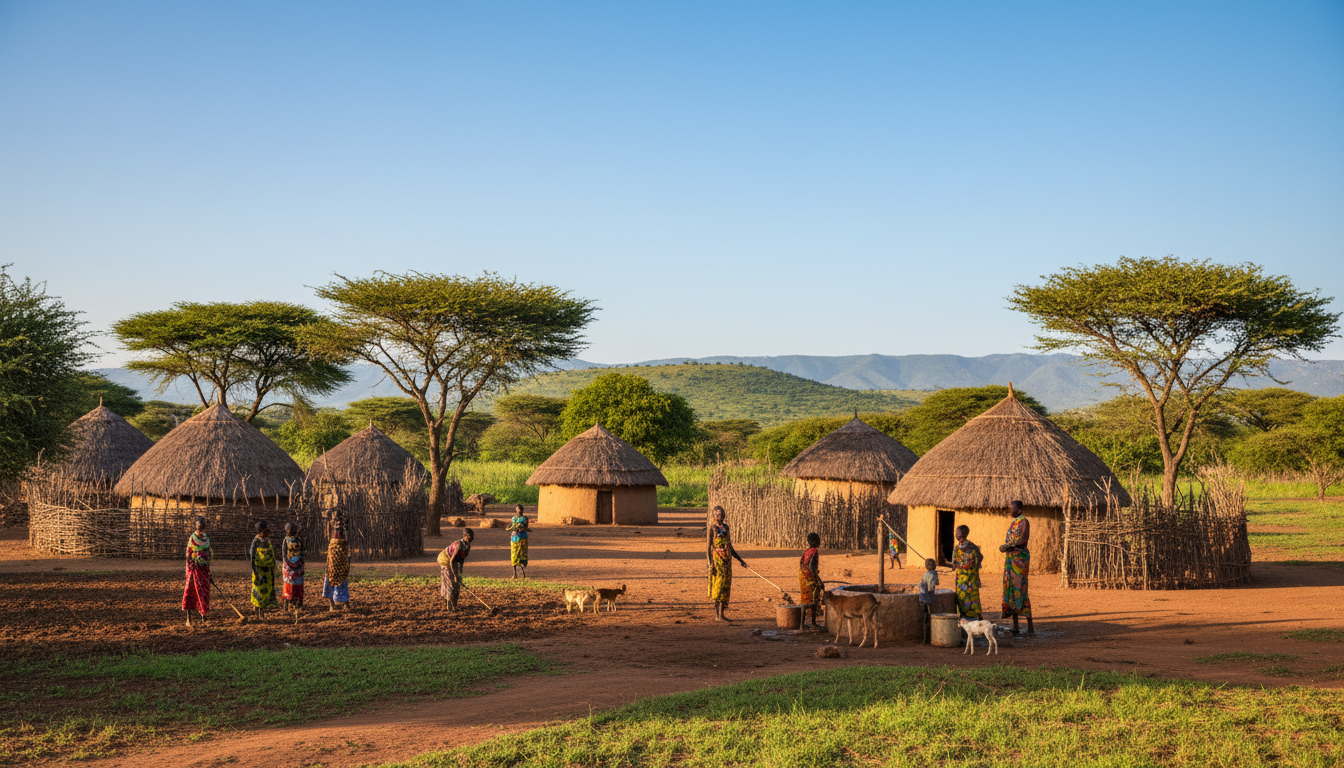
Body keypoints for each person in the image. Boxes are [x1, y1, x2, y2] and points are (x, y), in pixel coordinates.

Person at [706, 505, 747, 621]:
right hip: (717, 562)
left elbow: (730, 546)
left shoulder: (726, 528)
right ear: (714, 516)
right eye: (717, 514)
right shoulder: (712, 528)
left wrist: (740, 560)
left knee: (725, 586)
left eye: (721, 514)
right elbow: (708, 547)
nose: (719, 516)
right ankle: (717, 615)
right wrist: (710, 563)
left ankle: (722, 614)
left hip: (727, 562)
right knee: (718, 587)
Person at [999, 500, 1034, 635]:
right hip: (1011, 558)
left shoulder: (1024, 521)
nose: (1010, 510)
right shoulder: (1014, 523)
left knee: (1020, 589)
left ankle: (1030, 627)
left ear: (1019, 510)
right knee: (1011, 589)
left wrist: (1009, 546)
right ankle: (1016, 627)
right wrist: (1007, 547)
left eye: (1012, 508)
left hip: (1020, 559)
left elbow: (1023, 539)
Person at [182, 516, 211, 628]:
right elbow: (189, 554)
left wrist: (207, 565)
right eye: (199, 525)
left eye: (202, 525)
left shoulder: (206, 538)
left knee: (203, 593)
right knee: (190, 593)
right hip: (193, 570)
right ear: (196, 526)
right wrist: (192, 567)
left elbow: (209, 552)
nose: (200, 527)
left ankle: (203, 615)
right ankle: (188, 619)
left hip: (204, 570)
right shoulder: (192, 538)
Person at [951, 525, 983, 620]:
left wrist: (966, 565)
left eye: (958, 533)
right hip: (961, 578)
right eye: (956, 533)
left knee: (972, 596)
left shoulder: (972, 547)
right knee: (961, 596)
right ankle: (963, 615)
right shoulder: (957, 548)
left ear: (964, 534)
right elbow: (954, 561)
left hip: (970, 577)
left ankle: (976, 615)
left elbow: (979, 558)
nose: (956, 534)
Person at [439, 528, 474, 611]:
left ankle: (454, 605)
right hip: (445, 560)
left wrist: (459, 574)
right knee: (450, 583)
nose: (471, 539)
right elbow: (451, 561)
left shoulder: (467, 547)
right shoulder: (458, 546)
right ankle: (449, 605)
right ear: (465, 536)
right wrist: (455, 576)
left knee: (457, 584)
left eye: (472, 537)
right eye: (470, 537)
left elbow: (461, 561)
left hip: (453, 562)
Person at [248, 520, 277, 619]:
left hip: (267, 571)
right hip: (259, 570)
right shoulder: (256, 542)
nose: (267, 533)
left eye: (267, 531)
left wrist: (272, 567)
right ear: (259, 532)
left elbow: (271, 554)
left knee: (265, 592)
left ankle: (262, 610)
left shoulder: (267, 541)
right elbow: (252, 557)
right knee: (258, 591)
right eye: (265, 531)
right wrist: (255, 571)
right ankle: (257, 611)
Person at [322, 517, 350, 611]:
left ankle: (336, 604)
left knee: (335, 580)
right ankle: (342, 604)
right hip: (336, 561)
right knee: (340, 580)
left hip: (335, 561)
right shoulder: (342, 534)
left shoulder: (338, 534)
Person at [797, 532, 823, 629]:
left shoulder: (807, 551)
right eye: (819, 540)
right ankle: (813, 623)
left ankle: (802, 624)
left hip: (804, 578)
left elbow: (803, 565)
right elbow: (811, 567)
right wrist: (818, 579)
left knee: (805, 601)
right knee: (813, 600)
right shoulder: (814, 551)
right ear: (816, 542)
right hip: (809, 578)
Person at [281, 521, 305, 618]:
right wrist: (290, 564)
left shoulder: (298, 540)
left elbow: (302, 551)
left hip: (298, 567)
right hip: (289, 568)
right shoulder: (285, 541)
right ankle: (287, 604)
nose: (292, 531)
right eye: (290, 529)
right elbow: (284, 554)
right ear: (286, 530)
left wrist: (300, 562)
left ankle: (297, 604)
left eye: (293, 529)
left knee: (298, 585)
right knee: (288, 585)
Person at [918, 557, 939, 643]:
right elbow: (934, 584)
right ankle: (930, 636)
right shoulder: (934, 574)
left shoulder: (926, 574)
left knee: (925, 617)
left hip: (923, 598)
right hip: (930, 598)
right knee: (931, 616)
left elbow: (928, 585)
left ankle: (925, 638)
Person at [506, 505, 530, 579]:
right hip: (514, 538)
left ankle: (523, 574)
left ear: (522, 510)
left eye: (519, 509)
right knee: (514, 555)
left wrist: (521, 527)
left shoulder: (525, 518)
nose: (518, 511)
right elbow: (510, 526)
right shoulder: (513, 518)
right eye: (517, 509)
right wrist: (510, 528)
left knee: (522, 555)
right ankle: (514, 574)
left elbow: (526, 527)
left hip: (522, 538)